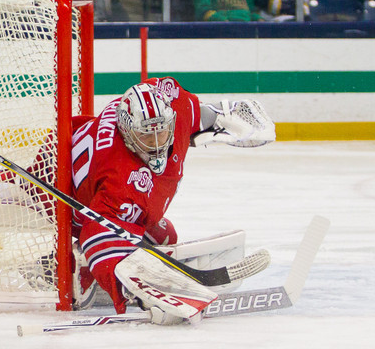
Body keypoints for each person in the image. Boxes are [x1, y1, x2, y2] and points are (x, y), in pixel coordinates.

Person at [68, 78, 274, 324]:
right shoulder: (118, 178)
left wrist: (219, 115)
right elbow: (95, 232)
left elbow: (199, 112)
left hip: (86, 161)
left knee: (166, 237)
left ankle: (102, 267)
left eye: (161, 131)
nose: (157, 144)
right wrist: (135, 292)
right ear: (126, 131)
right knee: (113, 239)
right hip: (67, 197)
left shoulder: (177, 107)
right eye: (146, 136)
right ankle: (81, 265)